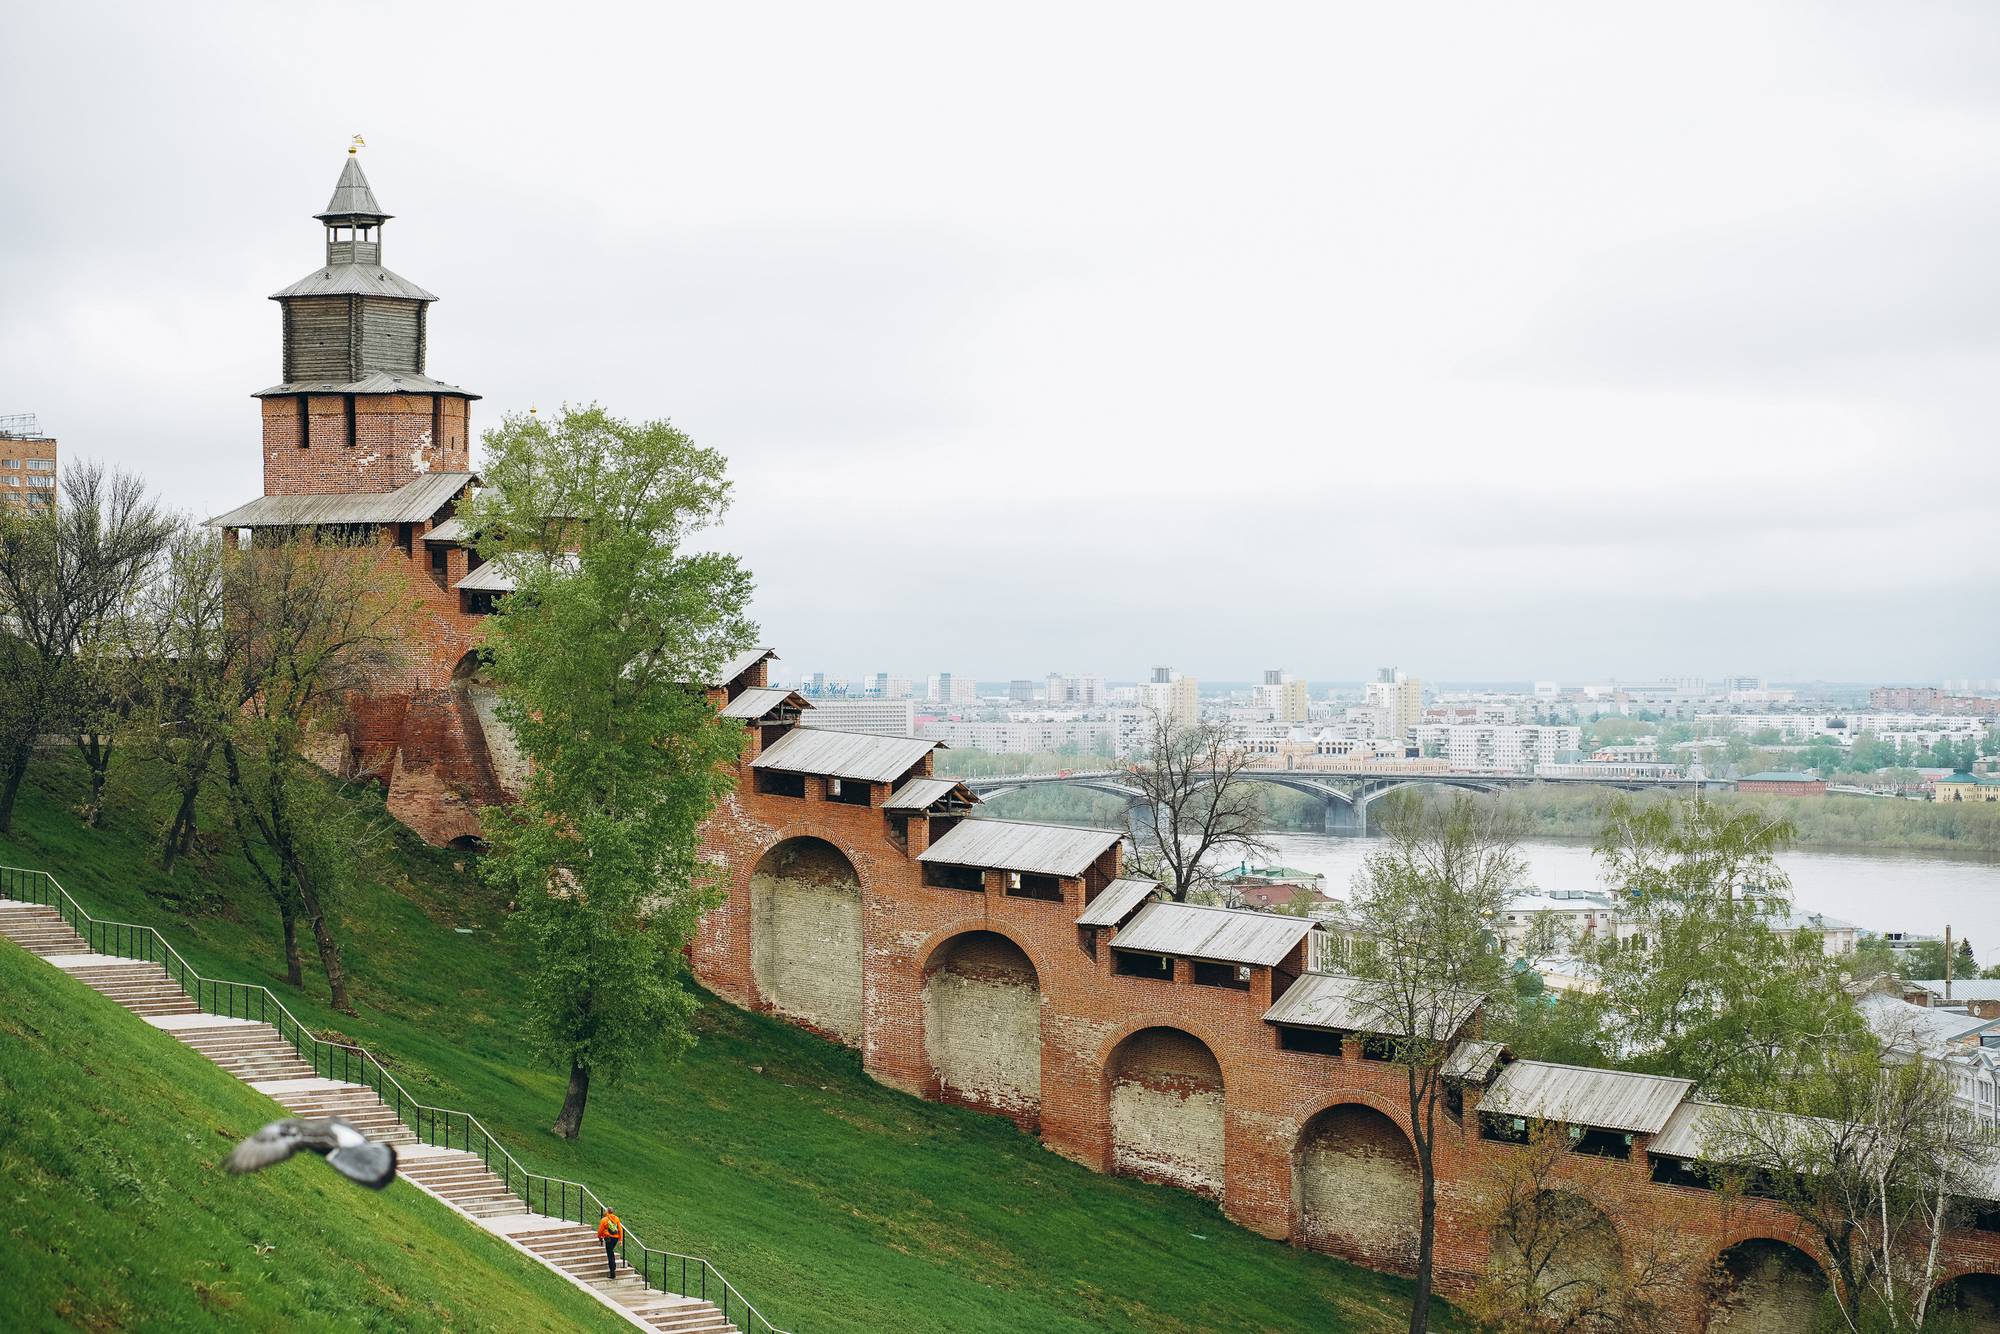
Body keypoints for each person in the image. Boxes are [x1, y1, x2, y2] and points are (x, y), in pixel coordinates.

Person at [597, 1204, 623, 1280]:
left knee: (610, 1254)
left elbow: (600, 1231)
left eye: (605, 1210)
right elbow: (620, 1230)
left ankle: (612, 1272)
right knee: (611, 1252)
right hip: (615, 1238)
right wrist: (620, 1240)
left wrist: (600, 1237)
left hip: (608, 1238)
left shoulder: (604, 1219)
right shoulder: (616, 1218)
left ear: (607, 1212)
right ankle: (613, 1267)